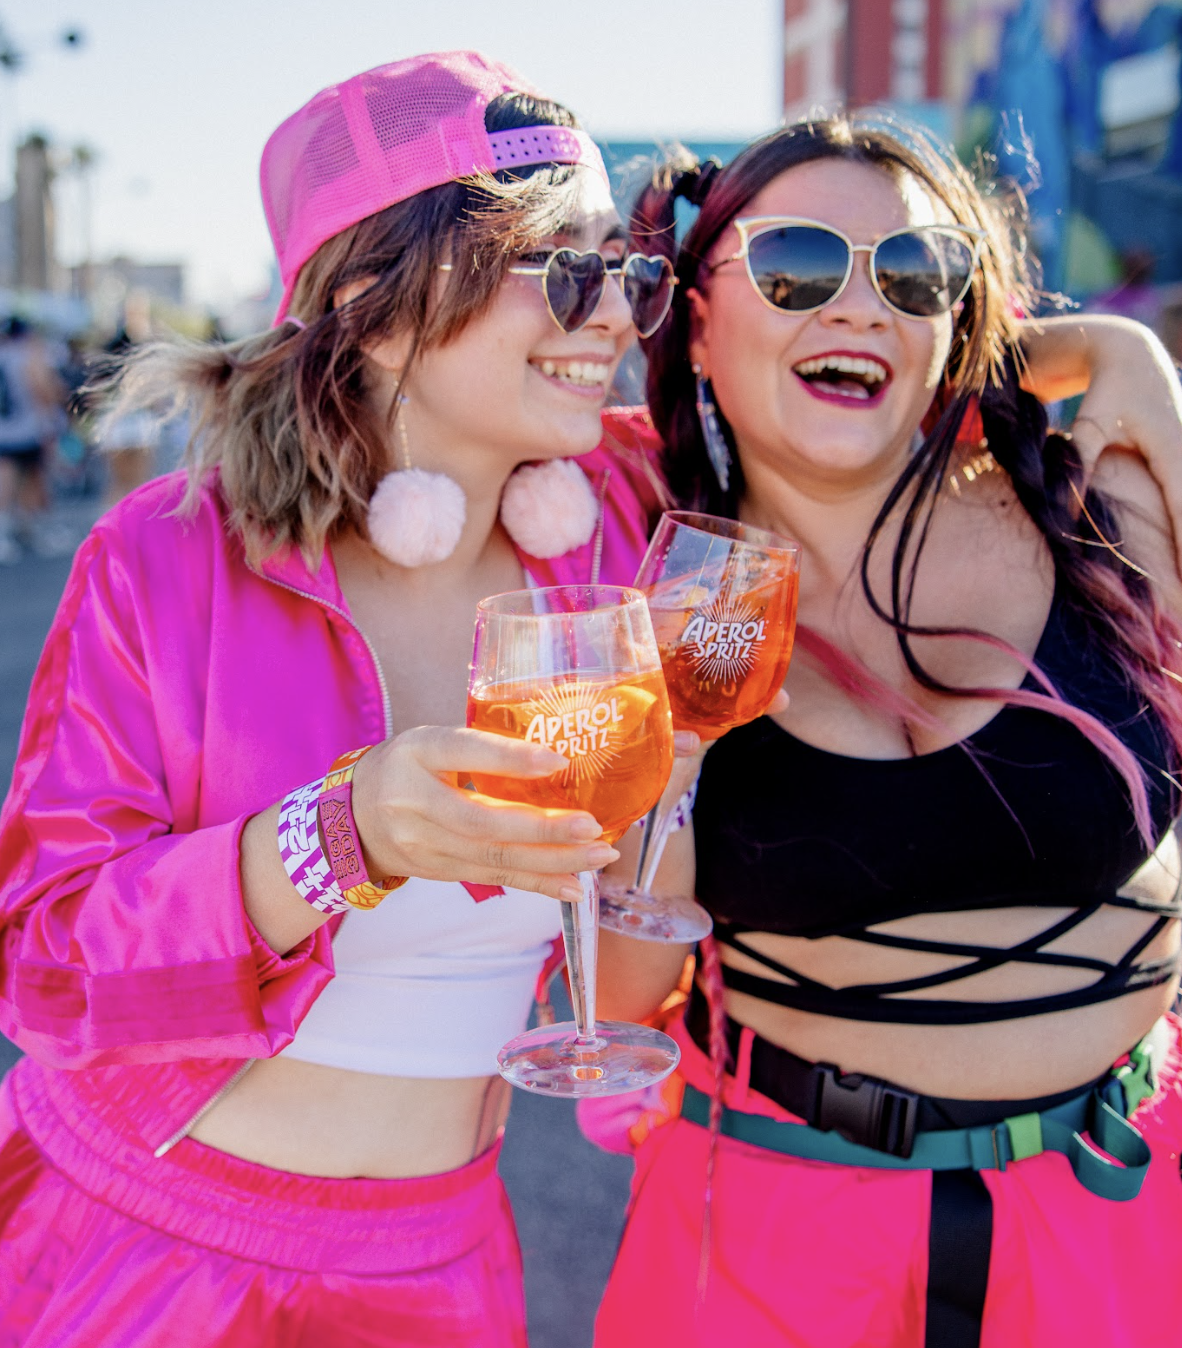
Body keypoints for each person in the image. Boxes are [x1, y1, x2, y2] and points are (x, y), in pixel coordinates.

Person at [0, 51, 692, 1346]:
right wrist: (339, 833)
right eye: (563, 270)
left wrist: (1084, 373)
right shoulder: (169, 553)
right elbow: (46, 962)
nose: (614, 316)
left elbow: (832, 397)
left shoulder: (618, 521)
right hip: (144, 1246)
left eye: (627, 272)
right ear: (374, 306)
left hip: (440, 1261)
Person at [593, 114, 1182, 1348]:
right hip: (776, 1236)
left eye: (914, 272)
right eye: (797, 265)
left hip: (1121, 1215)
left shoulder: (1094, 492)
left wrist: (1116, 346)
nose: (859, 305)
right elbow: (621, 996)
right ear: (698, 321)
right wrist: (668, 757)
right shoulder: (671, 581)